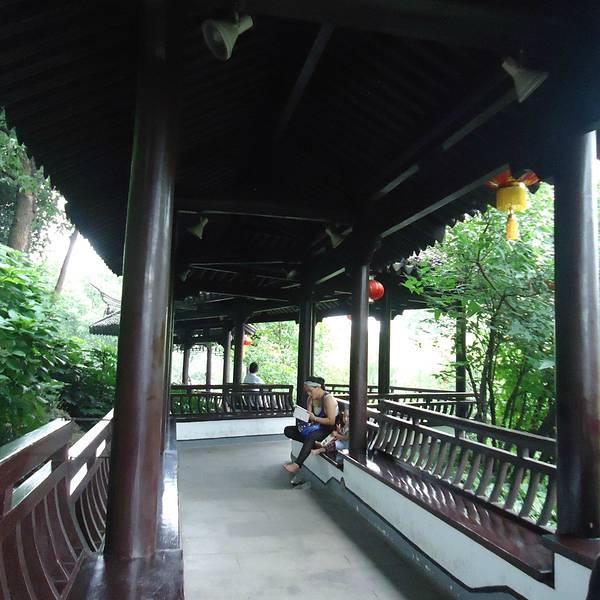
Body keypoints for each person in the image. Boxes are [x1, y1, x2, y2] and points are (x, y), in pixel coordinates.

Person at [283, 376, 339, 474]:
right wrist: (301, 415)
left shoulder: (328, 399)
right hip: (315, 427)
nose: (308, 394)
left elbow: (331, 421)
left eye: (310, 391)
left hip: (329, 430)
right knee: (288, 430)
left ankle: (297, 464)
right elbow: (310, 417)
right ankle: (314, 444)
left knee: (311, 436)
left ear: (318, 388)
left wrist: (315, 418)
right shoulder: (310, 399)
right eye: (307, 391)